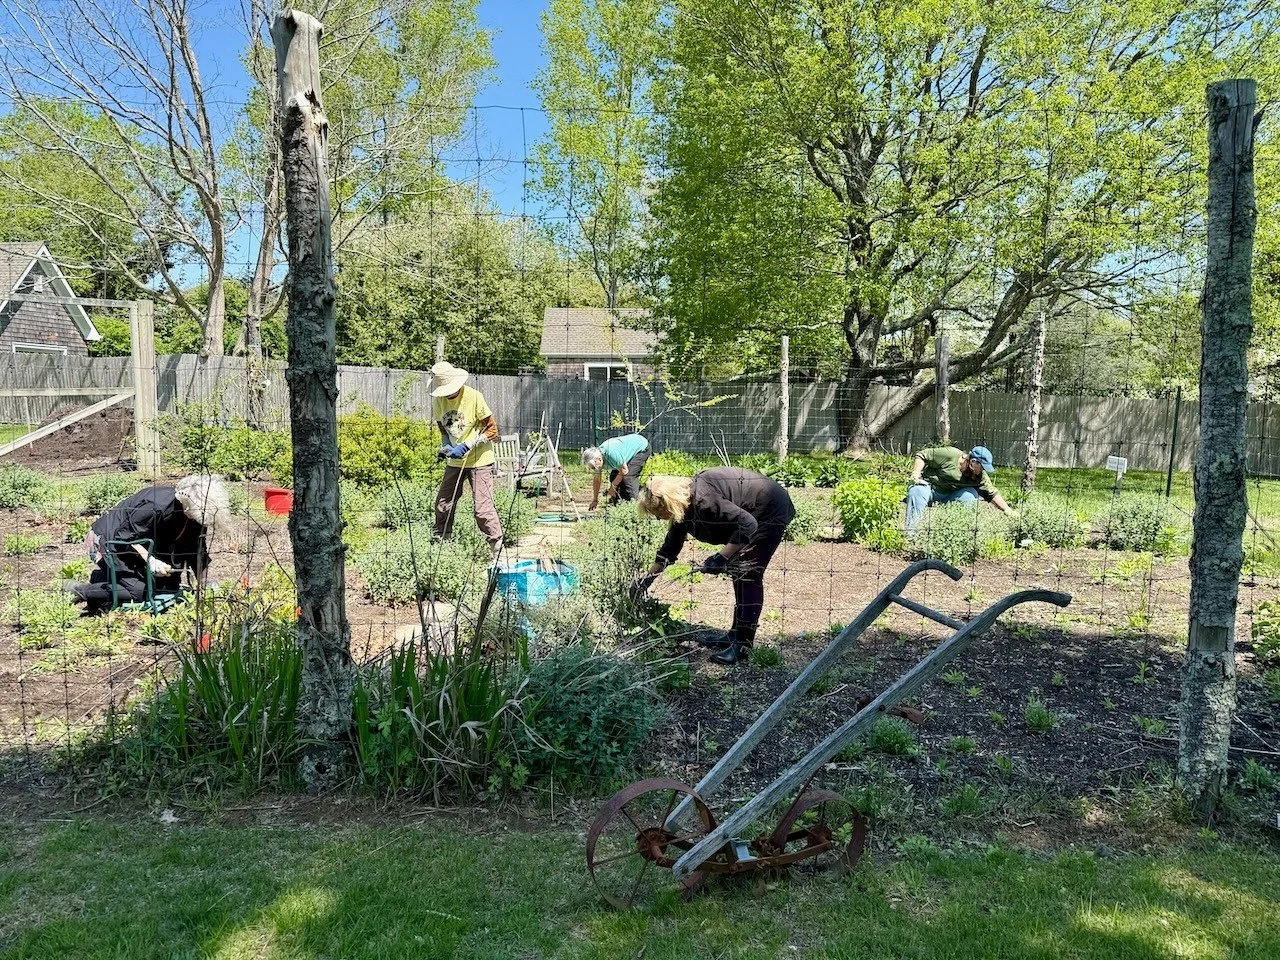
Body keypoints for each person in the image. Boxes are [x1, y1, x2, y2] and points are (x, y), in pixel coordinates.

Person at [636, 468, 794, 666]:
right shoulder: (683, 504)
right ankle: (734, 636)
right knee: (740, 572)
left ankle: (743, 646)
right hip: (753, 511)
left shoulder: (704, 501)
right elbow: (671, 546)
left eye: (658, 512)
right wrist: (647, 579)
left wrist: (721, 558)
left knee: (747, 573)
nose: (659, 518)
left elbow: (747, 524)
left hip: (767, 508)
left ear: (670, 501)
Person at [66, 474, 228, 615]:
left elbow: (197, 550)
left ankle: (102, 578)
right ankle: (78, 590)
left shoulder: (195, 515)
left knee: (168, 586)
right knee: (137, 591)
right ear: (185, 502)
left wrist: (204, 582)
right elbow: (124, 536)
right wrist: (151, 561)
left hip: (137, 543)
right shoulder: (155, 506)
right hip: (109, 540)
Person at [430, 360, 504, 557]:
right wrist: (446, 445)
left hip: (480, 460)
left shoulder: (474, 397)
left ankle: (496, 548)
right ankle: (441, 544)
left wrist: (468, 444)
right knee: (443, 503)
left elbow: (493, 430)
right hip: (454, 461)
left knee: (482, 508)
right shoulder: (439, 400)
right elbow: (443, 428)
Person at [905, 444, 1017, 532]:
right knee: (916, 490)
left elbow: (992, 493)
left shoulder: (980, 476)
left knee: (970, 495)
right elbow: (922, 455)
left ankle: (949, 530)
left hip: (949, 496)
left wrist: (1008, 510)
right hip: (929, 488)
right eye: (982, 467)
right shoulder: (951, 454)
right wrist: (916, 473)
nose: (983, 470)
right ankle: (911, 534)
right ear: (973, 462)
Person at [581, 433, 651, 510]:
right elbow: (597, 480)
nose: (594, 469)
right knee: (614, 477)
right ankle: (619, 507)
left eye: (594, 467)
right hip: (624, 454)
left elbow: (624, 471)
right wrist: (595, 499)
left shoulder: (611, 454)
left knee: (628, 478)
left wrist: (613, 487)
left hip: (641, 448)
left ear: (599, 459)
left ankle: (635, 507)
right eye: (592, 468)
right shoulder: (598, 460)